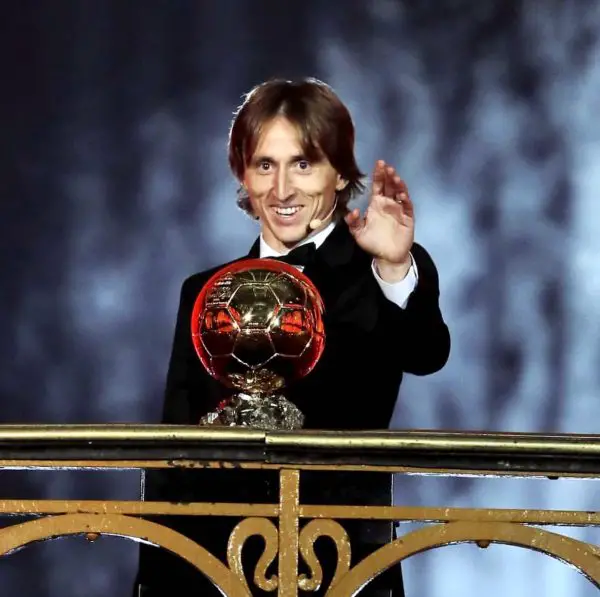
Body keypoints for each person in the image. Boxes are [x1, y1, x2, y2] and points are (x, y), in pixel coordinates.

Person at [135, 78, 450, 596]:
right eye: (265, 165)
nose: (282, 189)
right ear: (243, 173)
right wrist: (155, 583)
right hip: (216, 571)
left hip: (341, 566)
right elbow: (173, 454)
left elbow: (425, 352)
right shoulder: (203, 292)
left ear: (339, 172)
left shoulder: (380, 269)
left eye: (303, 164)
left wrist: (393, 268)